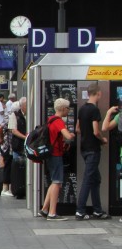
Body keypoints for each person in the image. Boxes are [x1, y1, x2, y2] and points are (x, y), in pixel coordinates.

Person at [75, 88, 111, 220]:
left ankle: (97, 210)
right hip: (93, 149)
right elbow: (96, 131)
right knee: (88, 179)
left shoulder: (82, 109)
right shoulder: (94, 110)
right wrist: (103, 140)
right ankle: (80, 211)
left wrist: (86, 134)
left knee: (96, 179)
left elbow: (77, 129)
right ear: (98, 94)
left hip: (84, 148)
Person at [39, 98, 76, 220]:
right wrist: (72, 135)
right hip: (56, 154)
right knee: (57, 183)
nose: (69, 111)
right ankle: (52, 213)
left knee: (53, 182)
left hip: (50, 154)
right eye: (68, 108)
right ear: (63, 109)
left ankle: (45, 209)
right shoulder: (59, 121)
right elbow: (67, 136)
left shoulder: (50, 119)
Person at [2, 96, 27, 198]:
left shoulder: (32, 114)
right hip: (16, 145)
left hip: (26, 145)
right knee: (16, 167)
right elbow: (13, 130)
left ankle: (22, 187)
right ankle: (15, 188)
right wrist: (25, 137)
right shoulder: (14, 115)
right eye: (25, 105)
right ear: (21, 106)